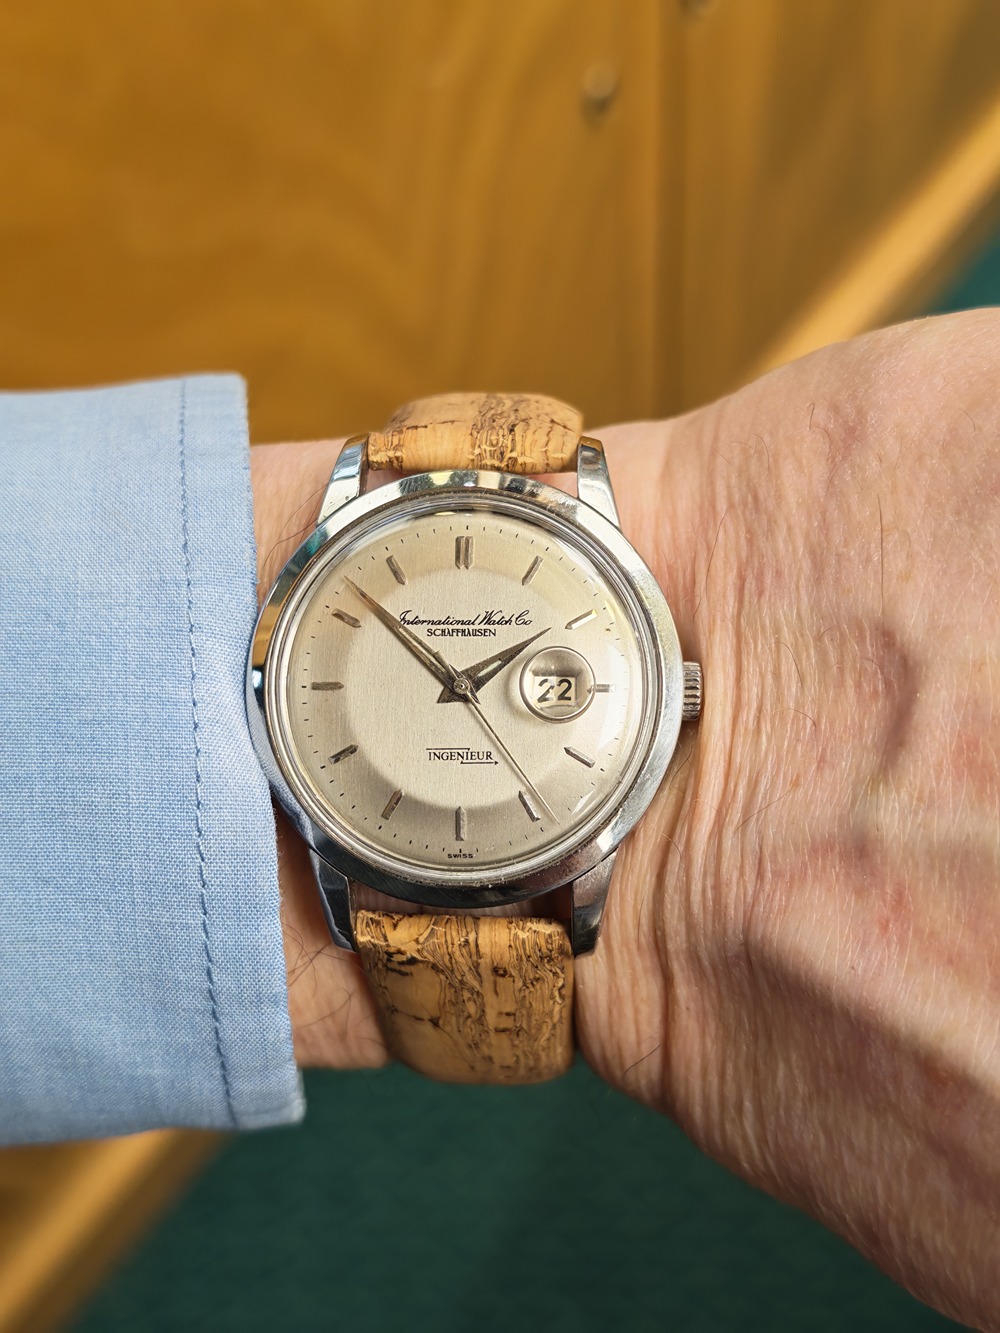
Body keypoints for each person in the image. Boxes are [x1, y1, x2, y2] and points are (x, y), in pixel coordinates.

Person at [2, 310, 997, 1328]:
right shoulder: (324, 733)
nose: (458, 688)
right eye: (454, 679)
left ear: (674, 693)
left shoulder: (603, 690)